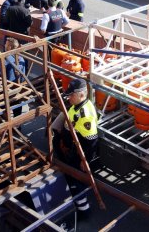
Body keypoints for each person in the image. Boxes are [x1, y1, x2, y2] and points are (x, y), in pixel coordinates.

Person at [51, 78, 98, 219]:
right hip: (68, 144)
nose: (69, 97)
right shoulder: (77, 105)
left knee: (74, 180)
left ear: (81, 95)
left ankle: (84, 210)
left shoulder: (85, 116)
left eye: (71, 95)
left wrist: (84, 161)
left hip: (76, 152)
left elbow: (91, 141)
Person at [0, 38, 26, 117]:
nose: (4, 45)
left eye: (6, 44)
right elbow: (23, 75)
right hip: (16, 87)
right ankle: (17, 126)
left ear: (9, 47)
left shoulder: (4, 59)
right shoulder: (21, 59)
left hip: (6, 89)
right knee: (17, 108)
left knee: (3, 110)